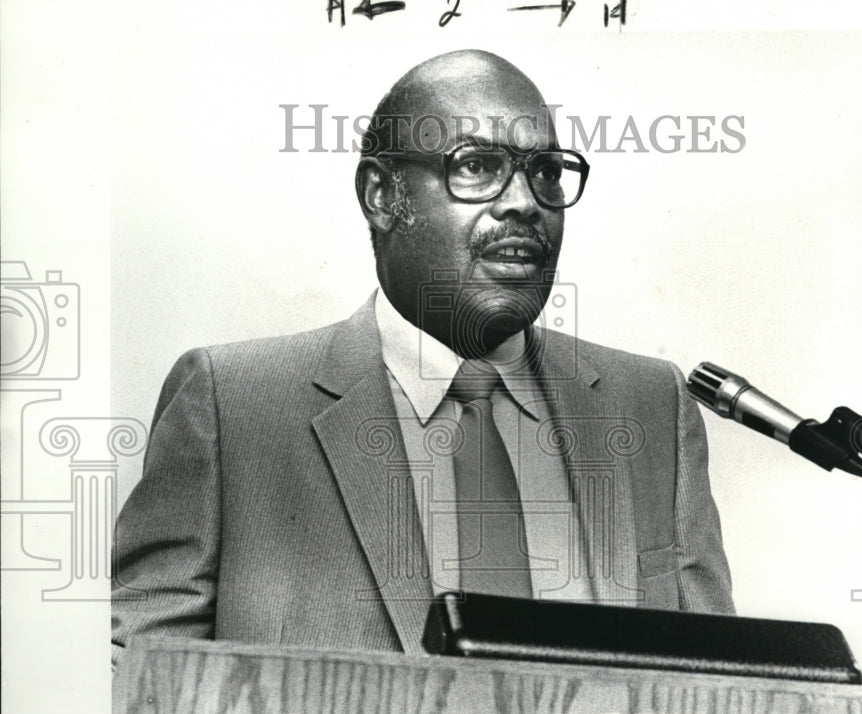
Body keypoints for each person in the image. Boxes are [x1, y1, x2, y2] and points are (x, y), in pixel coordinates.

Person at [111, 49, 733, 671]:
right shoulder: (230, 405)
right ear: (382, 196)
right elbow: (135, 682)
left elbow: (723, 686)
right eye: (477, 165)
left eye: (544, 171)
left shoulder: (652, 405)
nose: (523, 201)